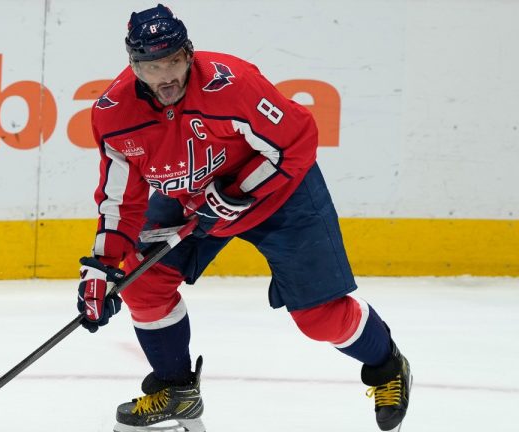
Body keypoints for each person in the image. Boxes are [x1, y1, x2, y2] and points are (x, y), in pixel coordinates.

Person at [75, 4, 412, 432]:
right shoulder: (113, 114)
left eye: (174, 61)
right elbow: (120, 200)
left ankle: (387, 365)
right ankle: (177, 390)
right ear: (134, 66)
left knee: (320, 318)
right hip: (192, 199)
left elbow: (298, 140)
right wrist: (102, 267)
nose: (167, 77)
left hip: (281, 194)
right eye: (153, 66)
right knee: (140, 281)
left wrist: (238, 192)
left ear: (189, 54)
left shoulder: (232, 85)